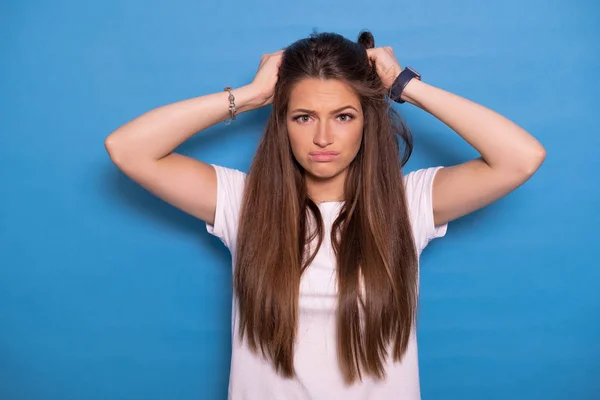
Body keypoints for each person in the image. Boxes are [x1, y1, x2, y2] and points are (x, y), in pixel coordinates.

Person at [104, 31, 545, 400]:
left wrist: (402, 83)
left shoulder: (407, 204)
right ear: (282, 123)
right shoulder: (245, 202)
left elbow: (520, 158)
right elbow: (127, 149)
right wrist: (252, 95)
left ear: (367, 121)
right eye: (303, 116)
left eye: (344, 116)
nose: (323, 137)